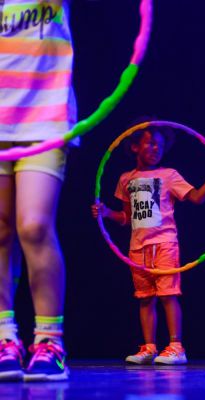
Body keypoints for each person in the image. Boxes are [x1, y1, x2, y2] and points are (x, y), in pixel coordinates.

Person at [92, 122, 205, 365]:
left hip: (165, 243)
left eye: (160, 145)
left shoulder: (169, 175)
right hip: (137, 248)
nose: (156, 148)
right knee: (145, 298)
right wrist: (106, 213)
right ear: (135, 146)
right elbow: (126, 217)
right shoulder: (126, 179)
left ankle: (176, 346)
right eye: (150, 143)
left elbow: (197, 198)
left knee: (168, 295)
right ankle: (149, 347)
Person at [0, 0, 77, 381]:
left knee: (33, 226)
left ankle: (49, 341)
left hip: (45, 116)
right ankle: (4, 336)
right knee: (0, 230)